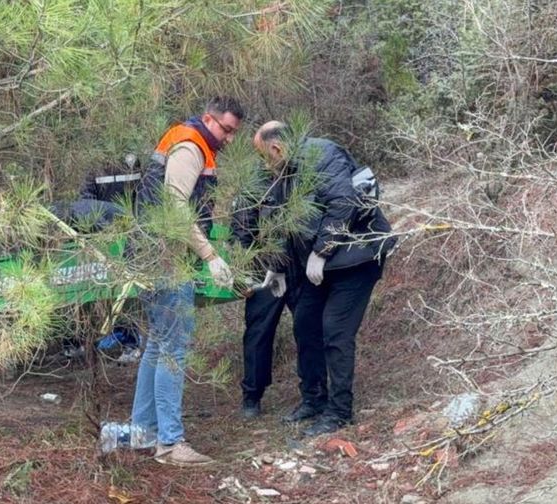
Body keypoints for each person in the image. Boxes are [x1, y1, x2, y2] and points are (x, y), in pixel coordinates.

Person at [252, 121, 396, 436]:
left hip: (356, 257)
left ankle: (339, 411)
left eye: (265, 156)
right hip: (321, 267)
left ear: (276, 148)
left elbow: (343, 203)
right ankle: (314, 399)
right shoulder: (283, 173)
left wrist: (321, 251)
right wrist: (276, 267)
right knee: (305, 324)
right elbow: (280, 221)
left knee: (335, 332)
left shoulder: (322, 154)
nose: (265, 164)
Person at [130, 96, 245, 466]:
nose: (228, 138)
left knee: (156, 345)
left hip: (151, 253)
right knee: (173, 349)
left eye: (233, 132)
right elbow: (176, 207)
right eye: (225, 129)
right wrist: (209, 256)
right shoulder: (191, 148)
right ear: (208, 119)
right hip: (166, 258)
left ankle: (142, 434)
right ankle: (170, 443)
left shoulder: (191, 143)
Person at [230, 171, 303, 420]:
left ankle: (314, 393)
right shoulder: (255, 183)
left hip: (302, 268)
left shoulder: (303, 177)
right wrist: (244, 272)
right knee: (258, 334)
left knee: (309, 330)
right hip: (265, 271)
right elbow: (241, 232)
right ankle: (252, 396)